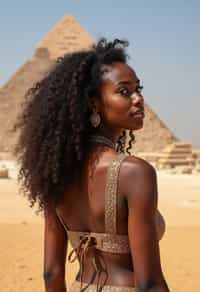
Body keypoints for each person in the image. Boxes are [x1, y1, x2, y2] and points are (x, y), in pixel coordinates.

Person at [13, 38, 169, 292]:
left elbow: (51, 273)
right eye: (124, 91)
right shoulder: (135, 173)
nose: (139, 99)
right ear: (94, 103)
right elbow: (149, 283)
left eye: (139, 89)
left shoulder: (55, 173)